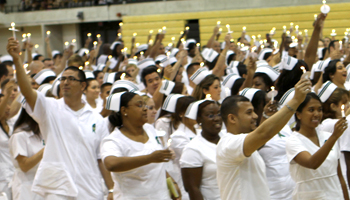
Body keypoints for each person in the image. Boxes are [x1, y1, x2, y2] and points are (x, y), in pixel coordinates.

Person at [7, 38, 114, 200]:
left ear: (83, 86)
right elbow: (27, 92)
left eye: (71, 79)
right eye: (63, 79)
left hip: (90, 191)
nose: (65, 82)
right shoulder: (50, 108)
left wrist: (111, 189)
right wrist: (17, 59)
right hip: (58, 191)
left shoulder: (96, 119)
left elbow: (101, 159)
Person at [216, 78, 311, 199]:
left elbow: (262, 136)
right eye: (249, 112)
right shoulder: (228, 143)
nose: (255, 116)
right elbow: (263, 134)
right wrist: (296, 101)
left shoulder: (244, 143)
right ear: (232, 118)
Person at [101, 92, 180, 200]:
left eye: (145, 105)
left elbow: (157, 166)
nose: (144, 109)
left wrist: (172, 183)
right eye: (139, 105)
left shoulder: (150, 129)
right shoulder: (114, 140)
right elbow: (111, 164)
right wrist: (150, 158)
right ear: (124, 110)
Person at [286, 93, 349, 200]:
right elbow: (312, 163)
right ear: (299, 114)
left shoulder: (327, 136)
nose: (317, 114)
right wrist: (334, 137)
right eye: (311, 110)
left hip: (335, 195)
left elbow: (339, 176)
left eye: (319, 110)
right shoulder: (293, 141)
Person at [180, 100, 223, 200]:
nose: (217, 119)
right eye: (210, 115)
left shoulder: (228, 138)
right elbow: (192, 188)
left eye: (219, 114)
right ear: (199, 119)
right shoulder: (193, 149)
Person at [9, 108, 45, 200]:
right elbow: (24, 166)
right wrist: (46, 149)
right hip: (26, 188)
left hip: (42, 186)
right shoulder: (19, 135)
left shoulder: (43, 133)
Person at [0, 88, 15, 199]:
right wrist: (8, 93)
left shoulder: (12, 123)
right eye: (5, 104)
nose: (8, 107)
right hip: (2, 177)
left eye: (9, 104)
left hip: (15, 174)